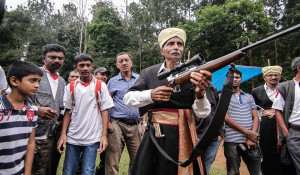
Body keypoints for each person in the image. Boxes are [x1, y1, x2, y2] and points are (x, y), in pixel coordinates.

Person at [124, 28, 212, 175]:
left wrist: (200, 93)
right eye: (171, 43)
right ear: (162, 50)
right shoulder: (149, 73)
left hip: (184, 133)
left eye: (179, 44)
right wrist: (151, 94)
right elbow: (128, 99)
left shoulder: (195, 74)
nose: (176, 47)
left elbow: (203, 114)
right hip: (156, 134)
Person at [57, 53, 114, 175]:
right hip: (73, 136)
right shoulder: (71, 87)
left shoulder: (100, 86)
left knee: (88, 171)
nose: (85, 68)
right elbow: (68, 110)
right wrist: (63, 134)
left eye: (88, 65)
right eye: (81, 65)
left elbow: (105, 110)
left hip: (92, 137)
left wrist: (104, 135)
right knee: (68, 171)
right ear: (76, 67)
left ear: (92, 67)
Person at [27, 44, 66, 175]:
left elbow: (61, 106)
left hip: (48, 137)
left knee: (40, 171)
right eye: (52, 57)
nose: (57, 60)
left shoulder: (61, 81)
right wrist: (37, 109)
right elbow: (18, 100)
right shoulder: (33, 75)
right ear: (44, 58)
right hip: (30, 135)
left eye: (60, 58)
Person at [0, 61, 43, 175]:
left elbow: (30, 143)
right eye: (32, 80)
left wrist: (27, 172)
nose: (37, 85)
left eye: (39, 81)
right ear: (14, 81)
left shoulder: (32, 110)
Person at [105, 52, 141, 175]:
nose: (124, 63)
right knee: (112, 159)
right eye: (121, 61)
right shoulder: (112, 82)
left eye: (126, 60)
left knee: (138, 160)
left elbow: (145, 100)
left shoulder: (140, 79)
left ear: (131, 62)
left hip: (136, 125)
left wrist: (144, 120)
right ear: (117, 65)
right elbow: (107, 102)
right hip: (117, 124)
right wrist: (108, 122)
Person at [223, 68, 261, 175]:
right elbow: (226, 118)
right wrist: (248, 133)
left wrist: (252, 136)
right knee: (233, 172)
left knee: (257, 171)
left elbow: (255, 117)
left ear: (241, 79)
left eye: (237, 77)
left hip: (251, 140)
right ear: (227, 79)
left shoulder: (249, 97)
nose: (235, 79)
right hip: (231, 140)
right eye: (232, 77)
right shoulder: (222, 97)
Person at [251, 66, 286, 175]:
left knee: (283, 149)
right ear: (264, 77)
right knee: (266, 151)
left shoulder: (285, 89)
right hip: (265, 127)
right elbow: (253, 111)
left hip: (283, 124)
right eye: (270, 75)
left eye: (276, 75)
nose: (273, 77)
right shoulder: (256, 91)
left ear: (280, 77)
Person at [272, 57, 300, 174]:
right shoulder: (285, 87)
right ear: (299, 68)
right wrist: (286, 133)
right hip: (294, 133)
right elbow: (277, 110)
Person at [196, 84, 223, 174]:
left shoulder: (213, 90)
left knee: (206, 167)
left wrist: (220, 133)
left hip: (214, 137)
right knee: (195, 167)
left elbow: (219, 112)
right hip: (196, 135)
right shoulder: (190, 88)